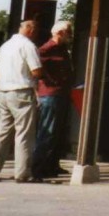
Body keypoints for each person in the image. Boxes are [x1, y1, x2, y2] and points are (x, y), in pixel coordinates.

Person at [0, 19, 43, 183]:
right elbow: (36, 70)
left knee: (2, 132)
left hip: (4, 91)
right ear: (31, 30)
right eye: (36, 29)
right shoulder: (28, 46)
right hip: (22, 91)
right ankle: (23, 173)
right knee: (24, 133)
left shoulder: (5, 47)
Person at [32, 20, 74, 178]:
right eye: (69, 32)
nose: (70, 36)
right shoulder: (47, 48)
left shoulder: (62, 49)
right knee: (48, 131)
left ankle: (52, 164)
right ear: (61, 33)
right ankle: (39, 167)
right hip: (50, 94)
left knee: (58, 132)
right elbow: (35, 66)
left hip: (61, 93)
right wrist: (48, 80)